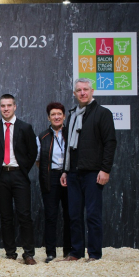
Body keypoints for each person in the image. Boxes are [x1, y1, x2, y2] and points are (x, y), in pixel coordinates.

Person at [60, 78, 117, 262]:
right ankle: (76, 252)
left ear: (92, 92)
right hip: (74, 173)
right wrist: (65, 170)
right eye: (79, 90)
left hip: (93, 172)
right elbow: (68, 146)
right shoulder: (73, 115)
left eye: (86, 89)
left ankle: (94, 254)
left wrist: (105, 169)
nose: (82, 92)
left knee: (92, 215)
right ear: (74, 94)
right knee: (74, 215)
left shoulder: (103, 113)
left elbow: (110, 143)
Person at [0, 94, 38, 265]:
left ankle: (29, 253)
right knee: (5, 216)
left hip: (19, 175)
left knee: (24, 215)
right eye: (3, 105)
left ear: (15, 107)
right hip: (1, 175)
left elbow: (32, 152)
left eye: (9, 105)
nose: (6, 108)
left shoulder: (25, 127)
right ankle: (10, 252)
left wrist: (23, 169)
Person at [36, 102, 71, 263]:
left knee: (70, 215)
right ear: (48, 118)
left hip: (70, 177)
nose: (56, 117)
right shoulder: (42, 136)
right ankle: (51, 252)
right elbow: (38, 160)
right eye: (53, 114)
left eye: (59, 114)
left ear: (64, 116)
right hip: (50, 178)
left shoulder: (70, 134)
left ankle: (69, 251)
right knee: (50, 216)